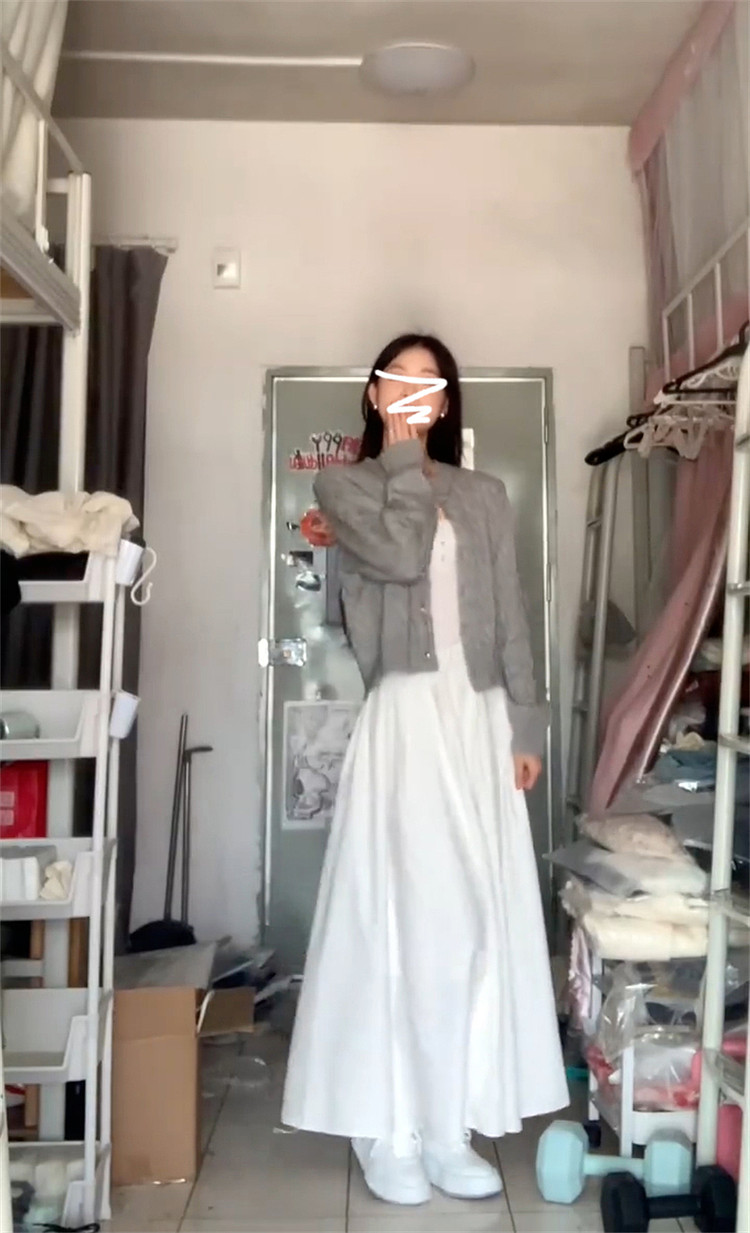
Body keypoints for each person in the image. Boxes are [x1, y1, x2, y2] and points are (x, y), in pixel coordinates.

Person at [282, 334, 568, 1206]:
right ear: (374, 396)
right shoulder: (345, 487)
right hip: (405, 717)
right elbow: (403, 555)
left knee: (474, 920)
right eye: (396, 379)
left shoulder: (485, 496)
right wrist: (403, 456)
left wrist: (525, 721)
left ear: (445, 402)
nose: (412, 391)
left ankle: (450, 1122)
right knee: (401, 917)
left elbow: (511, 612)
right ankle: (389, 1126)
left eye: (428, 382)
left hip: (478, 717)